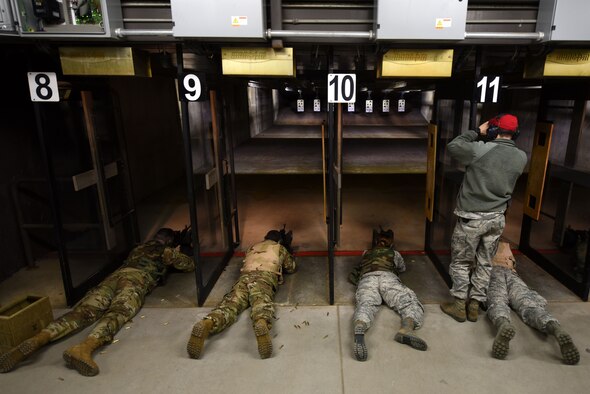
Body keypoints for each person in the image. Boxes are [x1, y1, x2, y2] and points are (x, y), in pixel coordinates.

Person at [0, 228, 194, 376]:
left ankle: (37, 340)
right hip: (135, 279)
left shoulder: (138, 248)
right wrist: (178, 251)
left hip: (113, 278)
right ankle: (84, 348)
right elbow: (188, 265)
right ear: (168, 241)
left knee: (83, 312)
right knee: (118, 312)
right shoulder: (165, 251)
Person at [440, 114, 528, 323]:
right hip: (496, 218)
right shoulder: (521, 156)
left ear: (493, 131)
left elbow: (454, 146)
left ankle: (459, 305)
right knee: (485, 262)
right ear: (516, 132)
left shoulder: (480, 149)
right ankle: (475, 305)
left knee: (461, 262)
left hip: (472, 217)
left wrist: (476, 132)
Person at [187, 228, 296, 360]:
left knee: (229, 305)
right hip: (264, 278)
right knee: (261, 303)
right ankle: (261, 321)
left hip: (244, 278)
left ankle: (209, 322)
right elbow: (290, 267)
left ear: (265, 237)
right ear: (278, 240)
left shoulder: (252, 247)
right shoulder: (279, 248)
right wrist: (288, 251)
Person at [487, 241, 580, 364]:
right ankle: (554, 327)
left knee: (497, 300)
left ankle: (503, 323)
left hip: (492, 273)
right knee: (528, 303)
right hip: (512, 274)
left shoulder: (480, 242)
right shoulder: (505, 245)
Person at [350, 228, 427, 362]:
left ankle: (360, 325)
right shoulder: (394, 253)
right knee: (408, 302)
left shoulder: (366, 253)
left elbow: (360, 266)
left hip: (367, 279)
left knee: (366, 304)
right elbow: (402, 268)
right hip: (388, 278)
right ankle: (406, 328)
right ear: (391, 243)